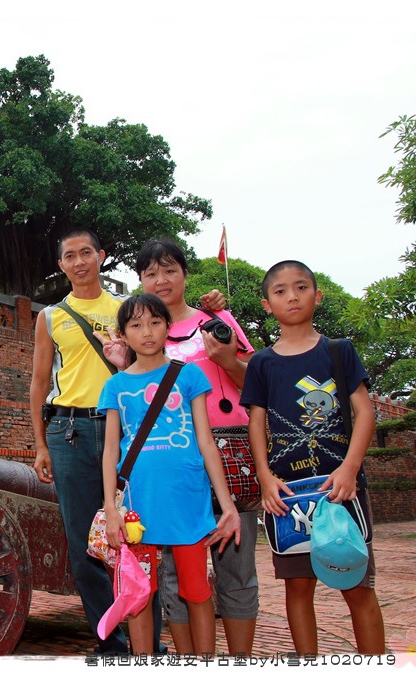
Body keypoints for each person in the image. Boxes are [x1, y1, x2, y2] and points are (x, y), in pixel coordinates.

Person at [29, 229, 223, 654]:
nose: (79, 262)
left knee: (139, 539)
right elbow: (39, 380)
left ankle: (148, 647)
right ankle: (115, 645)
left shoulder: (126, 309)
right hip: (71, 430)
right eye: (69, 256)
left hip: (133, 436)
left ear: (101, 256)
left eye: (86, 253)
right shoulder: (50, 316)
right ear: (60, 265)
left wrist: (213, 306)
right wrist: (40, 443)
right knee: (88, 546)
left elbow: (167, 324)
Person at [239, 260, 385, 655]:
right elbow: (256, 422)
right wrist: (265, 478)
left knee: (356, 584)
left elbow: (365, 410)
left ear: (317, 295)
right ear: (267, 304)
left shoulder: (338, 351)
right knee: (298, 588)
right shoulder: (262, 362)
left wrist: (350, 469)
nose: (292, 297)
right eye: (280, 291)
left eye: (301, 287)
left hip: (341, 489)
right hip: (289, 493)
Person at [134, 239, 259, 656]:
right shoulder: (143, 333)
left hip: (229, 451)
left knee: (235, 569)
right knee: (175, 573)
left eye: (169, 269)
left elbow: (255, 385)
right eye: (150, 273)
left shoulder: (216, 320)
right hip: (172, 462)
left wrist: (225, 358)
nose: (161, 280)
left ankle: (239, 660)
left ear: (186, 274)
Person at [97, 293, 241, 655]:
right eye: (135, 325)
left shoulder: (189, 375)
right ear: (123, 334)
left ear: (168, 327)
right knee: (138, 594)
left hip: (187, 501)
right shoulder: (115, 385)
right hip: (136, 507)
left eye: (155, 322)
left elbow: (206, 442)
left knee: (196, 590)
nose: (146, 332)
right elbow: (110, 451)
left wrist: (227, 506)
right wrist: (111, 511)